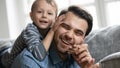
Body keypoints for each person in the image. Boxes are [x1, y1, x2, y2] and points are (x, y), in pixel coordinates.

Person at [11, 5, 99, 68]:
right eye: (65, 26)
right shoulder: (28, 61)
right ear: (55, 24)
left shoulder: (79, 61)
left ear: (83, 39)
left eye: (78, 33)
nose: (69, 35)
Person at [1, 0, 58, 68]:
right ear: (31, 15)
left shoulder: (50, 31)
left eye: (49, 13)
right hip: (5, 61)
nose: (44, 15)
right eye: (39, 12)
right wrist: (52, 31)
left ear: (55, 19)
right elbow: (39, 55)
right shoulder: (30, 30)